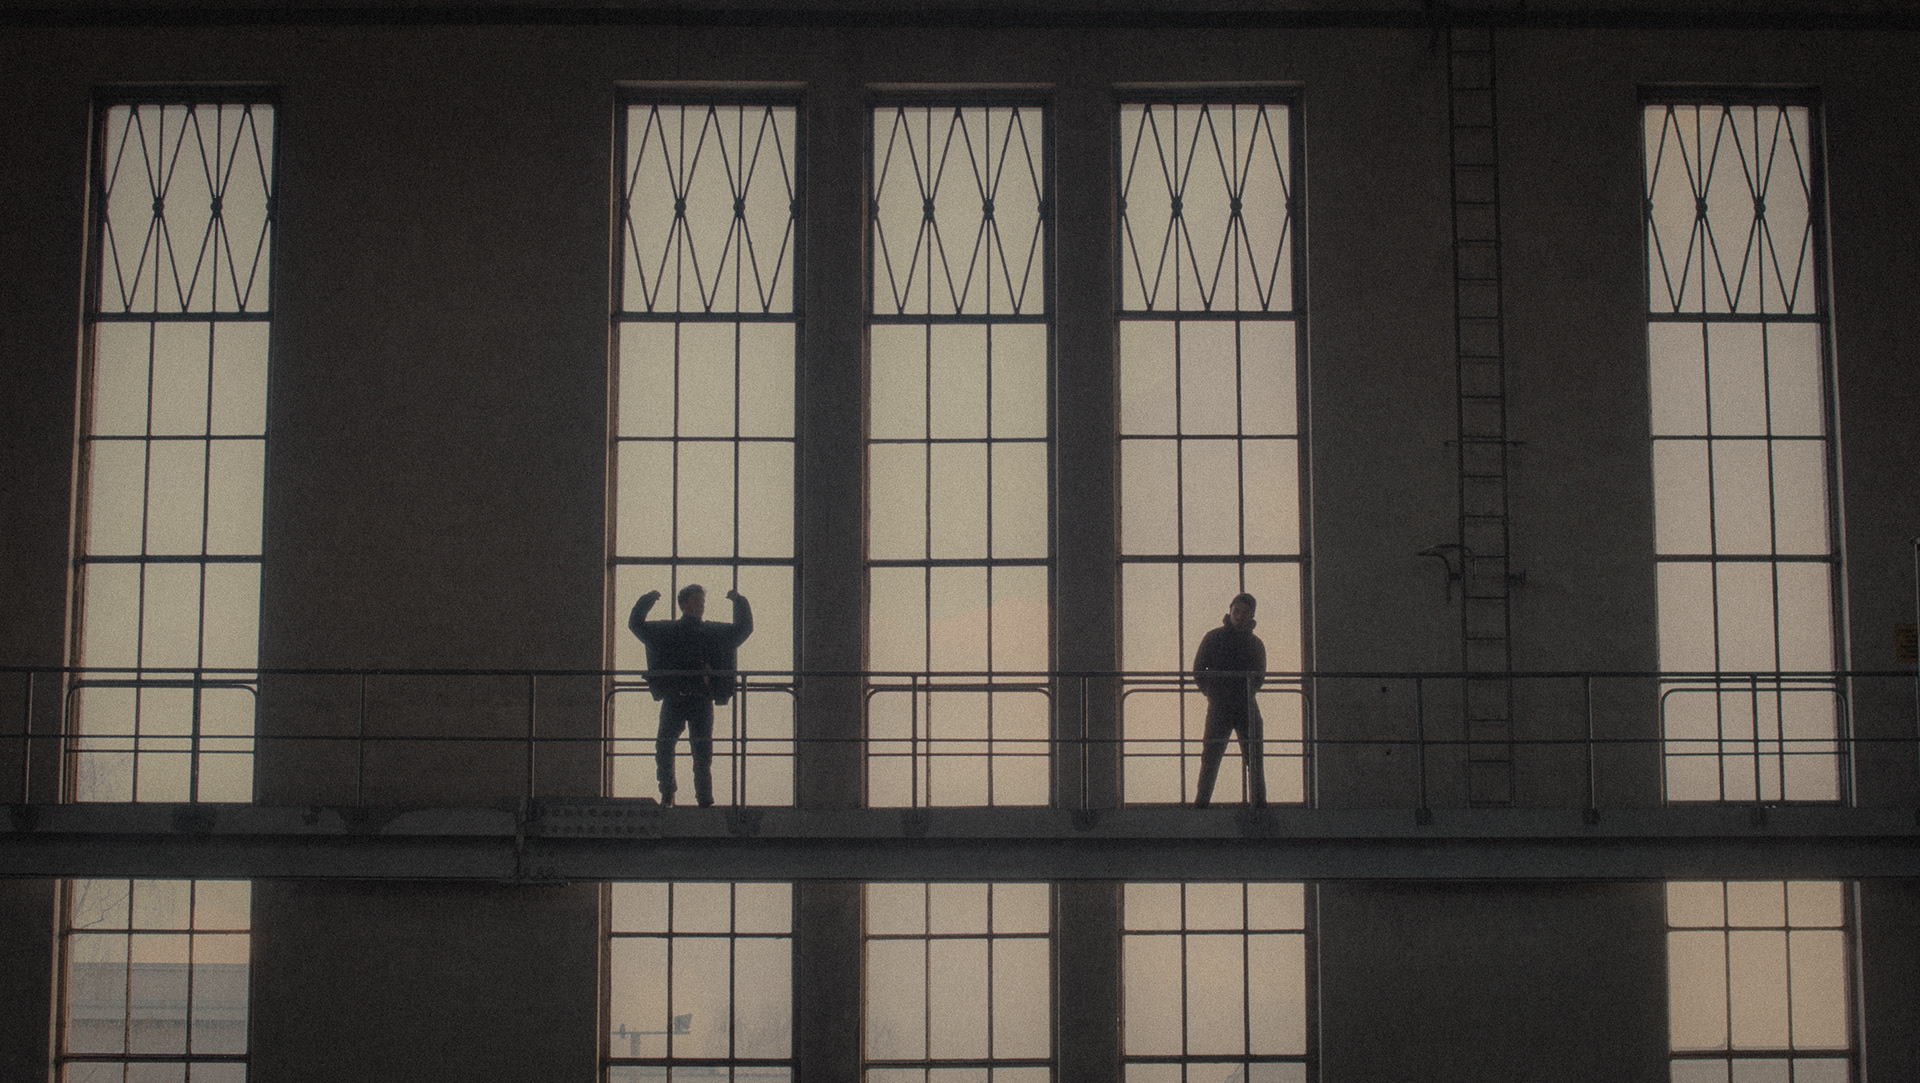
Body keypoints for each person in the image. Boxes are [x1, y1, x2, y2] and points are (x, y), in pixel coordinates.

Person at [629, 584, 753, 807]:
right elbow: (741, 630)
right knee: (692, 750)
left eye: (702, 602)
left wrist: (647, 600)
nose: (701, 606)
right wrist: (739, 602)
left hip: (681, 698)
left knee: (679, 748)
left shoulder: (668, 631)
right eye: (697, 601)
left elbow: (637, 625)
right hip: (695, 699)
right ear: (684, 604)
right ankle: (698, 797)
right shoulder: (710, 633)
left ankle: (674, 794)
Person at [1191, 591, 1267, 809]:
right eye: (1237, 611)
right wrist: (1213, 693)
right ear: (1230, 610)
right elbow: (1198, 670)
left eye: (1245, 613)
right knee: (1211, 757)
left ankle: (1259, 805)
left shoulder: (1255, 644)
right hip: (1223, 706)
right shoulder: (1214, 638)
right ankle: (1201, 804)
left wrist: (1214, 692)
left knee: (1253, 757)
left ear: (1251, 616)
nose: (1240, 616)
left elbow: (1260, 676)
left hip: (1244, 705)